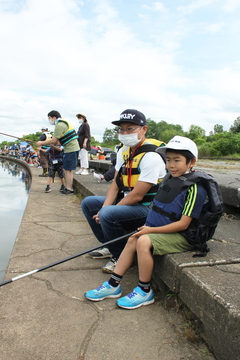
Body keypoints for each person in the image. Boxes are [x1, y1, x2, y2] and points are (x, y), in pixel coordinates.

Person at [84, 136, 210, 309]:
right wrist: (149, 228)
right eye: (168, 160)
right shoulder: (169, 179)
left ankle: (145, 290)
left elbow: (183, 225)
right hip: (166, 229)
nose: (171, 165)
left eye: (177, 160)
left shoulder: (195, 187)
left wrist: (150, 231)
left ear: (192, 161)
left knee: (143, 240)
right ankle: (113, 285)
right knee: (134, 237)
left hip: (184, 235)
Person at [81, 109, 166, 273]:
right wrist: (105, 207)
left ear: (144, 129)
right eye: (122, 129)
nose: (125, 133)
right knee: (89, 203)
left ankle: (120, 256)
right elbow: (115, 184)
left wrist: (108, 210)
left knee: (107, 213)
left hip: (148, 208)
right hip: (129, 203)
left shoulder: (151, 157)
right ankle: (109, 245)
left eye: (130, 128)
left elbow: (137, 195)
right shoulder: (123, 151)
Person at [36, 110, 80, 195]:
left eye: (49, 118)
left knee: (68, 170)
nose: (49, 120)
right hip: (70, 149)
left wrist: (41, 143)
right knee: (67, 169)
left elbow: (54, 139)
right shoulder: (62, 123)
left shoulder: (59, 125)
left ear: (54, 117)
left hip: (71, 149)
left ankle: (69, 189)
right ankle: (68, 187)